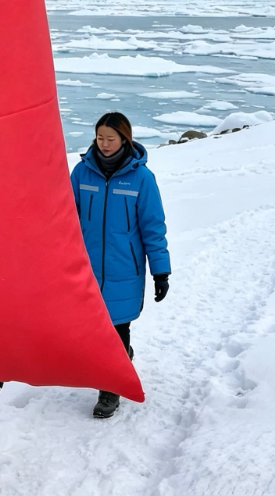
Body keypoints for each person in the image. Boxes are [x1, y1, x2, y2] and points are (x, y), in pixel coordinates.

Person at [70, 112, 171, 419]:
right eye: (100, 138)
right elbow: (65, 219)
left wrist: (161, 271)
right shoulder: (82, 173)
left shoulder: (141, 178)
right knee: (92, 328)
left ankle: (110, 389)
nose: (104, 144)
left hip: (123, 268)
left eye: (110, 139)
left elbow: (153, 226)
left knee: (116, 328)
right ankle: (117, 360)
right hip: (85, 267)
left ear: (124, 139)